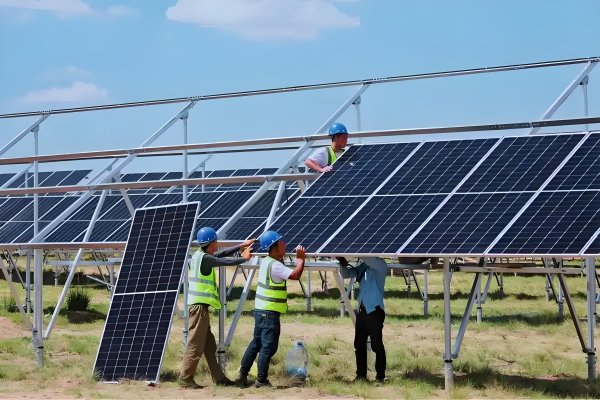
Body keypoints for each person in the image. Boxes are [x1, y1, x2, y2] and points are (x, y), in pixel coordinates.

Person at [179, 226, 256, 389]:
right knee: (195, 344)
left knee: (209, 345)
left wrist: (241, 246)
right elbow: (222, 260)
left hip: (199, 307)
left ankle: (219, 378)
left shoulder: (200, 255)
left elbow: (220, 255)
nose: (217, 244)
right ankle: (185, 378)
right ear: (211, 242)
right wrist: (244, 258)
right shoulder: (206, 259)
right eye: (216, 241)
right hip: (199, 307)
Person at [237, 230, 306, 388]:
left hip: (261, 311)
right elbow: (295, 275)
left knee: (256, 342)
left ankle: (243, 373)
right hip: (269, 313)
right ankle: (261, 380)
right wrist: (300, 260)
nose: (285, 244)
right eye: (281, 243)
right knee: (268, 346)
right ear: (274, 248)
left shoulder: (267, 261)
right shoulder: (275, 265)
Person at [337, 256, 388, 383]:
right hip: (362, 311)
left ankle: (380, 376)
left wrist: (357, 252)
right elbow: (346, 274)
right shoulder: (363, 267)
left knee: (377, 345)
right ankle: (361, 375)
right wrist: (343, 264)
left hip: (375, 311)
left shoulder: (381, 265)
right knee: (359, 345)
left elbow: (368, 258)